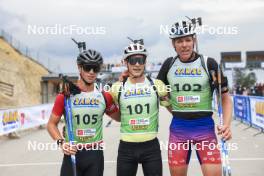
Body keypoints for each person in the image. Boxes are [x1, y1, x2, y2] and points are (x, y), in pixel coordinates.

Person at [157, 19, 233, 176]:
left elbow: (224, 97)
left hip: (204, 127)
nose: (184, 45)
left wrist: (226, 125)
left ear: (194, 40)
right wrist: (175, 110)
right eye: (179, 41)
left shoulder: (209, 64)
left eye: (188, 40)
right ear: (173, 44)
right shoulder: (168, 65)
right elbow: (161, 94)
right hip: (179, 129)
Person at [47, 47, 120, 176]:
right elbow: (51, 124)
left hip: (95, 154)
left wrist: (121, 93)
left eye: (95, 68)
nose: (91, 72)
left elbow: (119, 117)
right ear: (79, 67)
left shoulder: (104, 96)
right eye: (87, 67)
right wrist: (61, 143)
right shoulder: (66, 95)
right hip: (72, 153)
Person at [110, 38, 170, 176]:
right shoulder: (116, 88)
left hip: (151, 147)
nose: (137, 64)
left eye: (140, 60)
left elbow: (174, 110)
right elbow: (97, 105)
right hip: (126, 148)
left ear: (145, 62)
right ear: (126, 63)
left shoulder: (157, 85)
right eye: (132, 60)